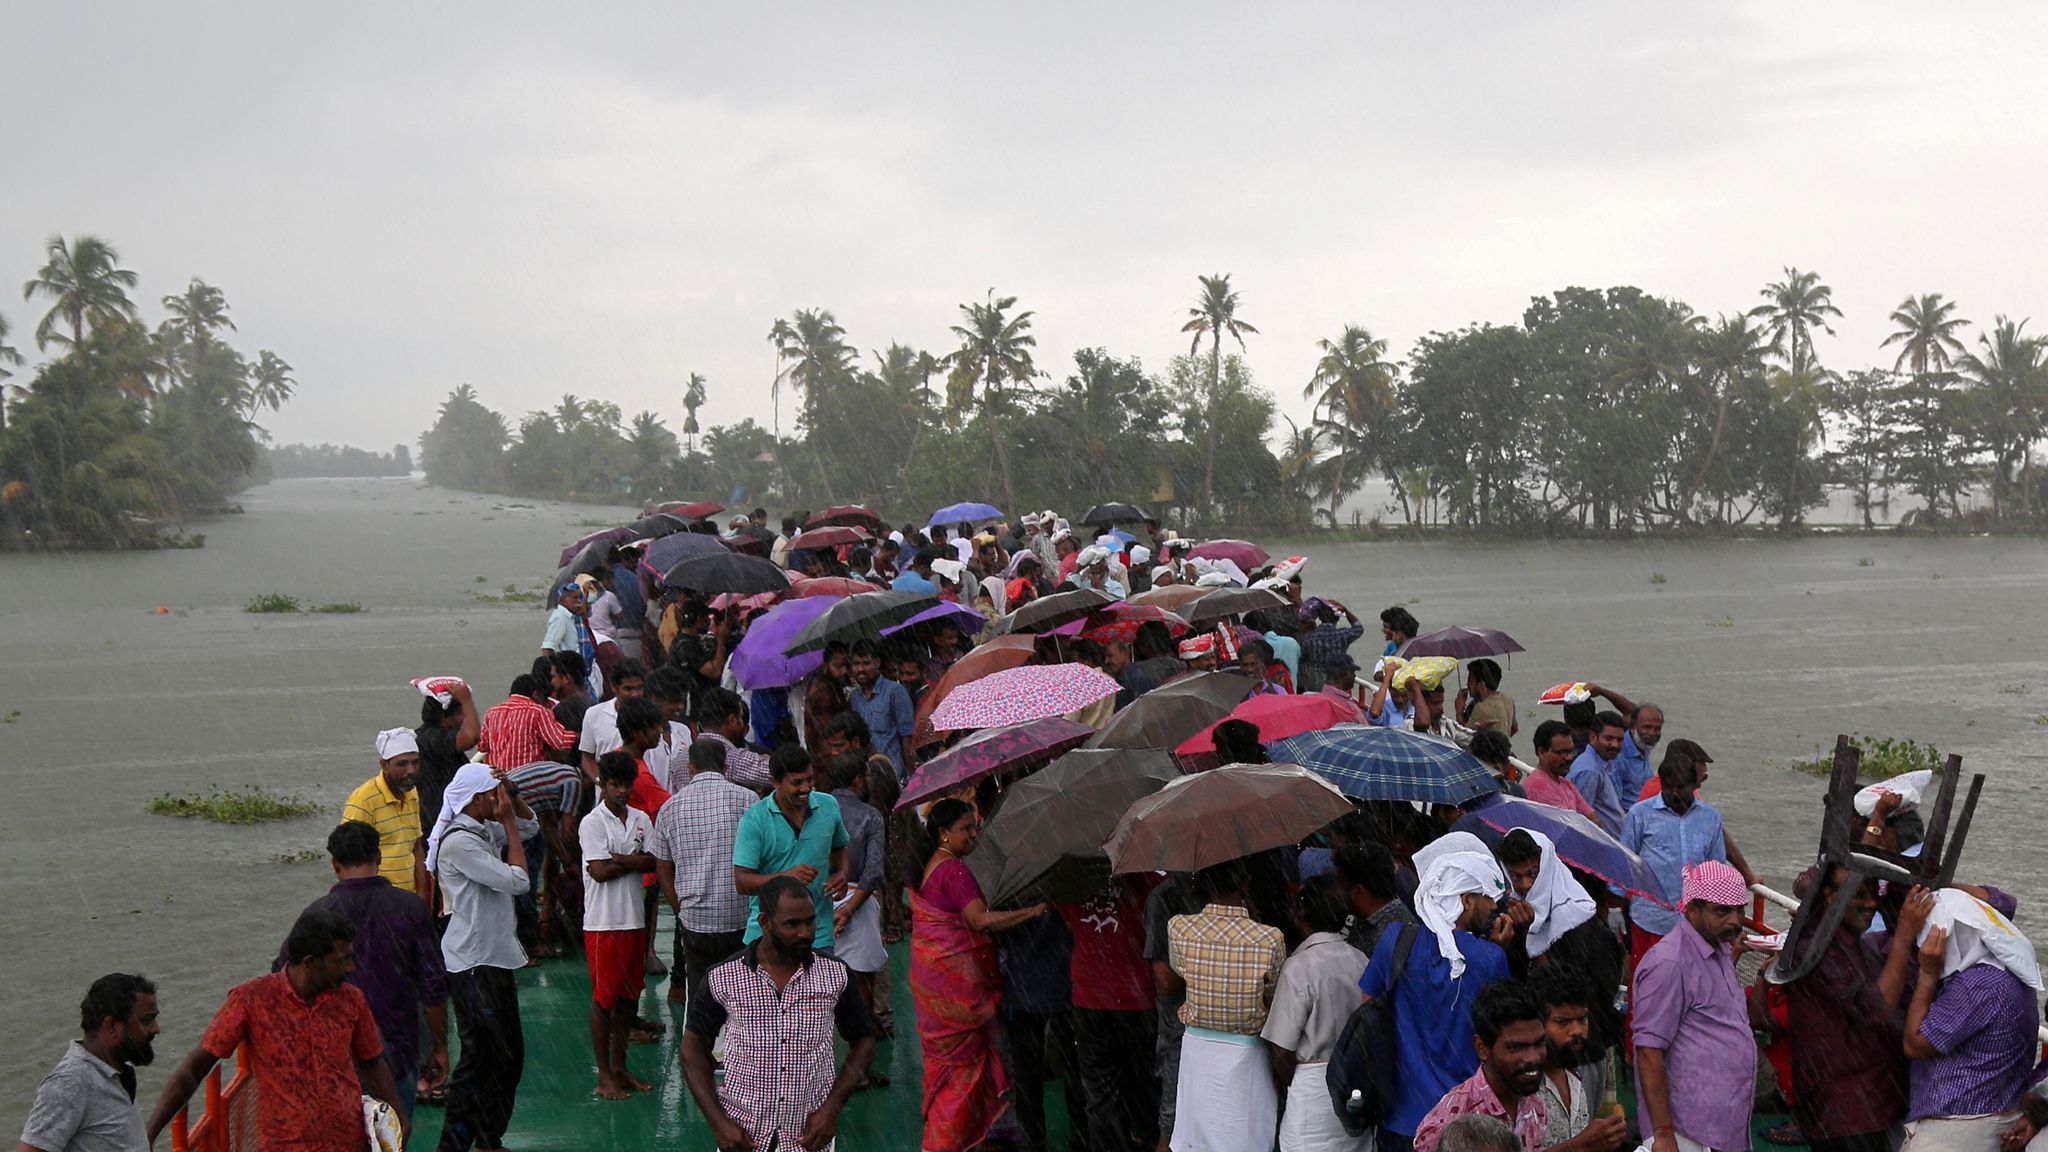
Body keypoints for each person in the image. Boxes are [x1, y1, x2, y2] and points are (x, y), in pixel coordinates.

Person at [149, 910, 403, 1151]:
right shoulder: (250, 1000)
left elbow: (372, 1061)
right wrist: (148, 1134)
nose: (351, 968)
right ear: (311, 963)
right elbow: (195, 1068)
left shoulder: (352, 1000)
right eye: (342, 960)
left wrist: (399, 1119)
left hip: (349, 1144)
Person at [682, 875, 878, 1152]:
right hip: (744, 1137)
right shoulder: (723, 977)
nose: (805, 932)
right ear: (765, 922)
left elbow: (864, 1040)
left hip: (808, 1138)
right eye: (792, 924)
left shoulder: (835, 975)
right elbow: (692, 1048)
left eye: (810, 921)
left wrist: (830, 1110)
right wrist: (719, 1123)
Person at [1359, 834, 1516, 1152]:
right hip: (1464, 1122)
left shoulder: (1395, 939)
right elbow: (1502, 1029)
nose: (1493, 907)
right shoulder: (1490, 958)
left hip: (1399, 1114)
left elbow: (1367, 1009)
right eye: (1486, 897)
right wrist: (1497, 952)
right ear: (1466, 900)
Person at [284, 820, 449, 1120]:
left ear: (335, 863)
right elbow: (433, 988)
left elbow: (284, 983)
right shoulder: (411, 909)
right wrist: (439, 1046)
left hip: (336, 1060)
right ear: (380, 857)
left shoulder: (317, 915)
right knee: (392, 1136)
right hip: (398, 1054)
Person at [912, 798, 1049, 1152]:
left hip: (940, 993)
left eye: (975, 826)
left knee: (952, 1071)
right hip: (961, 995)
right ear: (944, 833)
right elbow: (978, 920)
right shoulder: (954, 871)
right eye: (966, 829)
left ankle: (970, 1136)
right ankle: (953, 1140)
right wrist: (1030, 912)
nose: (974, 834)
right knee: (966, 1071)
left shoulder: (932, 867)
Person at [427, 763, 536, 1152]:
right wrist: (506, 821)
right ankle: (453, 1145)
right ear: (476, 800)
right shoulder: (461, 843)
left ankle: (490, 1138)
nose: (499, 800)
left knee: (509, 1055)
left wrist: (511, 797)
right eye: (493, 794)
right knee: (479, 1059)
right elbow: (519, 881)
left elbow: (530, 828)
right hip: (473, 963)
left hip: (494, 958)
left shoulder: (480, 828)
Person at [1781, 863, 1916, 1152]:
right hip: (1848, 1113)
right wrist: (1905, 934)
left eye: (1874, 894)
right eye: (1859, 895)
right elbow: (1878, 1008)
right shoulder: (1820, 949)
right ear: (1830, 897)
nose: (1871, 904)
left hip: (1857, 1107)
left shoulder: (1838, 940)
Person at [1902, 888, 2044, 1152]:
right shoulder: (2011, 972)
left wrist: (1927, 974)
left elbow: (1914, 1042)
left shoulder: (1978, 985)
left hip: (1956, 1131)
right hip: (1994, 1119)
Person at [1632, 860, 1757, 1152]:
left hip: (1722, 1124)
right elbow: (1649, 1051)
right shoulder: (1669, 963)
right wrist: (1663, 1134)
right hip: (1685, 1131)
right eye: (1722, 911)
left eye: (1740, 909)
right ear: (1692, 909)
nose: (1735, 921)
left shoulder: (1721, 949)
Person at [1164, 859, 1287, 1152]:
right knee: (1247, 1140)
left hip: (1198, 1053)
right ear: (1246, 883)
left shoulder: (1179, 927)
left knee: (1198, 1142)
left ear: (1204, 882)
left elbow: (1181, 972)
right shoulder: (1270, 938)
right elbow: (1272, 993)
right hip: (1249, 1054)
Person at [1262, 874, 1372, 1152]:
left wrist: (1291, 1082)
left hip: (1312, 1092)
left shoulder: (1297, 968)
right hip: (1355, 1086)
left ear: (1301, 916)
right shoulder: (1362, 961)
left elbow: (1280, 1049)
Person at [652, 737, 757, 1019]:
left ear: (690, 768)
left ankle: (700, 1054)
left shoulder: (670, 808)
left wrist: (680, 909)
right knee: (743, 996)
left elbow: (663, 867)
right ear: (726, 766)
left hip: (696, 920)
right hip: (741, 918)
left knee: (701, 996)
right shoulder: (748, 799)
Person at [1057, 873, 1162, 1152]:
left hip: (1091, 997)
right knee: (1148, 1087)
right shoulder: (1146, 881)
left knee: (1100, 1095)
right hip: (1137, 998)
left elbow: (1069, 922)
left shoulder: (1071, 881)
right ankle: (1149, 1139)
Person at [1494, 830, 1622, 1052]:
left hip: (1583, 1047)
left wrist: (1531, 935)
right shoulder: (1511, 910)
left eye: (1533, 874)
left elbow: (1560, 992)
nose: (1525, 885)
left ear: (1547, 869)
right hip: (1540, 1045)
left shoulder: (1575, 914)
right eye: (1516, 877)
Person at [580, 752, 658, 1099]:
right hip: (603, 925)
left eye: (627, 785)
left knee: (628, 998)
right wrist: (634, 862)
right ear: (603, 785)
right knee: (603, 1002)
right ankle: (604, 1076)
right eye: (616, 785)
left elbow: (652, 861)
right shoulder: (592, 823)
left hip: (634, 923)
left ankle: (621, 1068)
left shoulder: (641, 818)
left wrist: (619, 859)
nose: (623, 791)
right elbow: (598, 872)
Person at [734, 744, 850, 956]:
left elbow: (840, 846)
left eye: (810, 780)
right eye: (797, 783)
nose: (806, 788)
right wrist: (784, 878)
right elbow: (742, 882)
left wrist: (842, 874)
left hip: (818, 935)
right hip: (767, 937)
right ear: (775, 782)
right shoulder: (754, 820)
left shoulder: (829, 806)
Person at [22, 974, 158, 1152]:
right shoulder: (70, 1083)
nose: (156, 1028)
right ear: (112, 1026)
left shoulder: (115, 1072)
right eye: (147, 1020)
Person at [1413, 981, 1549, 1152]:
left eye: (1539, 1043)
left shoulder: (1535, 1105)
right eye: (1516, 1047)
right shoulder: (1448, 1124)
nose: (1533, 1058)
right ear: (1482, 1048)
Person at [1622, 755, 1728, 968]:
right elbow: (1624, 862)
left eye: (1683, 787)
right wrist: (1617, 908)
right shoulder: (1640, 814)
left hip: (1695, 923)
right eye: (1670, 787)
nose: (1676, 793)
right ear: (1662, 783)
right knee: (1647, 981)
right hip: (1649, 919)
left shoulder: (1710, 817)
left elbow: (1717, 868)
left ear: (1694, 785)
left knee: (1690, 984)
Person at [827, 750, 890, 1066]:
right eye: (866, 776)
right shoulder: (871, 816)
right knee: (861, 982)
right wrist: (849, 910)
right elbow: (874, 871)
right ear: (856, 780)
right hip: (860, 901)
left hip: (821, 898)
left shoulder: (818, 810)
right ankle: (861, 1064)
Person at [1527, 963, 1624, 1149]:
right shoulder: (1520, 1087)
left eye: (1582, 1019)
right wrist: (1582, 1145)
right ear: (1537, 1022)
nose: (1577, 1031)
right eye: (1562, 1022)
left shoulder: (1579, 1075)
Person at [343, 727, 428, 896]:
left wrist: (422, 895)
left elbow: (416, 847)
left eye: (415, 762)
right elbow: (350, 858)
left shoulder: (411, 793)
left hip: (408, 899)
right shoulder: (363, 800)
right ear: (384, 765)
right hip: (378, 901)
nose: (411, 770)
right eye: (402, 764)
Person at [415, 680, 481, 838]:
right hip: (438, 826)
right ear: (444, 715)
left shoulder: (428, 735)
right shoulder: (433, 738)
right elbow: (472, 737)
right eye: (460, 713)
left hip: (439, 823)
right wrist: (466, 700)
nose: (464, 718)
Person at [1333, 839, 1418, 958]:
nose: (1338, 893)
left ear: (1358, 891)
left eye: (1341, 885)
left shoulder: (1391, 940)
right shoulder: (1364, 920)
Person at [478, 673, 577, 771]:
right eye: (545, 699)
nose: (546, 704)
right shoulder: (538, 711)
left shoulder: (491, 713)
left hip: (499, 780)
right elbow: (560, 741)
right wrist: (583, 736)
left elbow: (482, 746)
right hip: (528, 779)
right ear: (536, 694)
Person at [847, 637, 915, 778]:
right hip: (869, 777)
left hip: (895, 775)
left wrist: (910, 777)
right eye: (856, 664)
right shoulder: (854, 699)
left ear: (877, 663)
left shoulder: (895, 692)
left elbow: (908, 737)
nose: (860, 669)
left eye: (866, 663)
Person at [694, 686, 773, 792]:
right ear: (731, 720)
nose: (742, 726)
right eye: (740, 718)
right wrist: (770, 761)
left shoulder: (679, 760)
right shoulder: (734, 759)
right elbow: (784, 774)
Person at [1520, 721, 1600, 824]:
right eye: (1562, 753)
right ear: (1542, 752)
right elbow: (1564, 827)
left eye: (1571, 751)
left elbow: (1594, 819)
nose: (1569, 758)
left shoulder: (1566, 783)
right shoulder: (1539, 785)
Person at [1565, 712, 1630, 837]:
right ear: (1593, 737)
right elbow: (1580, 816)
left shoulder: (1602, 762)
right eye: (1609, 739)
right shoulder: (1590, 771)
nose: (1615, 745)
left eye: (1620, 740)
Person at [1297, 599, 1366, 694]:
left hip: (1314, 681)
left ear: (1320, 618)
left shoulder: (1308, 637)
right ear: (1337, 618)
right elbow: (1358, 628)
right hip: (1337, 678)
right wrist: (1346, 611)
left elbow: (1301, 660)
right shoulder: (1342, 635)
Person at [1610, 702, 1664, 800]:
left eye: (1657, 728)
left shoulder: (1642, 746)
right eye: (1647, 727)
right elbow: (1614, 803)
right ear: (1632, 727)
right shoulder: (1618, 756)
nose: (1652, 733)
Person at [1459, 659, 1518, 736]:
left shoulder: (1481, 708)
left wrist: (1459, 710)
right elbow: (1514, 728)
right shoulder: (1508, 699)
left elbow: (1462, 737)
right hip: (1503, 747)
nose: (1467, 684)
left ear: (1481, 684)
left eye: (1470, 679)